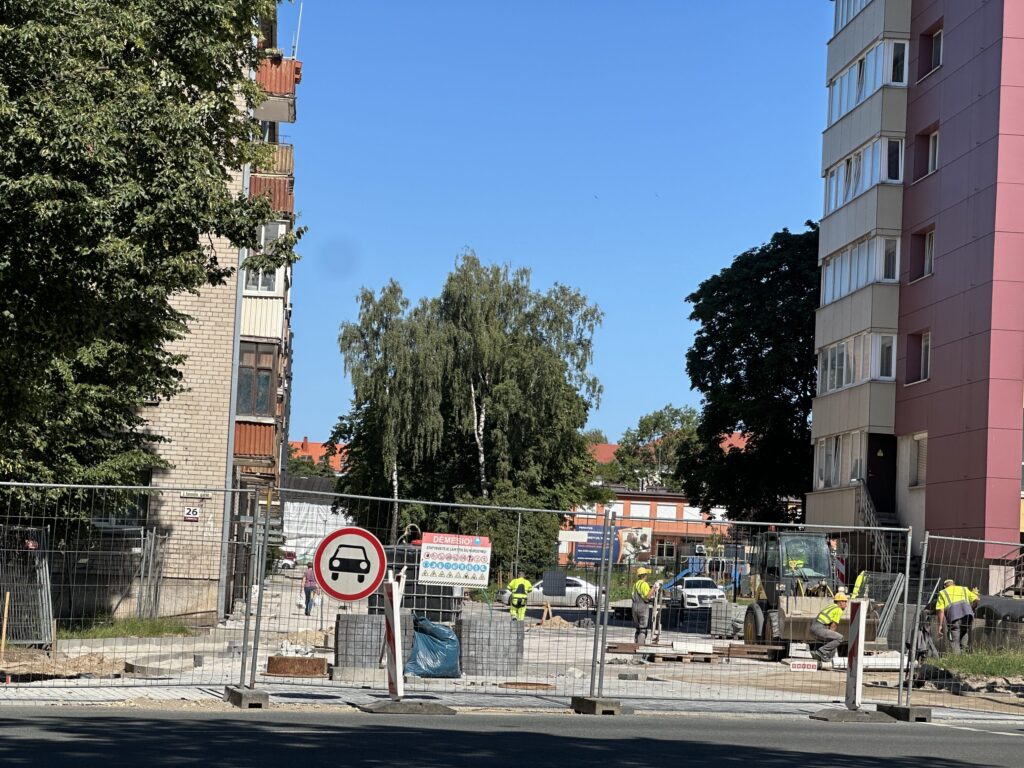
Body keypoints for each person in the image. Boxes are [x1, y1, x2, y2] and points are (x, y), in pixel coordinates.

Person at [936, 578, 979, 654]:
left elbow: (941, 610)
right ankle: (963, 655)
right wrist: (971, 608)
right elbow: (977, 599)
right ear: (954, 584)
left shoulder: (943, 592)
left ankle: (957, 659)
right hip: (967, 615)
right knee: (964, 632)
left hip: (954, 616)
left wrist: (940, 625)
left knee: (955, 639)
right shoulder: (964, 589)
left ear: (944, 586)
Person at [810, 590, 849, 664]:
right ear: (840, 602)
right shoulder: (838, 609)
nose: (846, 605)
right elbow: (833, 626)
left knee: (832, 640)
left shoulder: (831, 606)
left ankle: (824, 658)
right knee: (840, 638)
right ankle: (821, 652)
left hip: (813, 628)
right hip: (820, 628)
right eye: (845, 602)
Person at [632, 567, 656, 644]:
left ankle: (635, 646)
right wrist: (654, 587)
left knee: (638, 629)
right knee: (643, 629)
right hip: (642, 607)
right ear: (645, 575)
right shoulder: (645, 584)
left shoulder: (635, 585)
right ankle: (640, 648)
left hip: (634, 607)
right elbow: (648, 596)